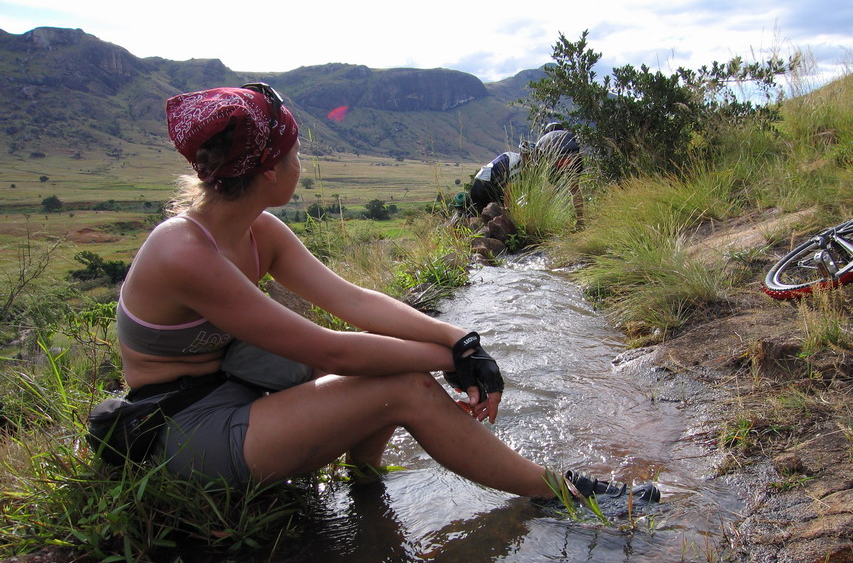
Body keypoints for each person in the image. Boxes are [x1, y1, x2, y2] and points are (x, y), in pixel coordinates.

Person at [115, 83, 659, 507]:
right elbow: (332, 350)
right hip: (179, 433)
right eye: (294, 153)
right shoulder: (183, 251)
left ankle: (365, 485)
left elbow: (354, 301)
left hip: (234, 392)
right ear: (265, 169)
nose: (299, 164)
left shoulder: (260, 232)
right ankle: (558, 492)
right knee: (404, 388)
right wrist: (450, 361)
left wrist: (463, 340)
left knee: (387, 370)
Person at [534, 121, 585, 228]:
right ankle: (581, 220)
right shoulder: (569, 134)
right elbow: (578, 147)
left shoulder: (542, 140)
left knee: (549, 191)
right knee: (575, 189)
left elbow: (537, 160)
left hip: (556, 160)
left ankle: (543, 220)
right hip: (574, 158)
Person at [467, 149, 525, 216]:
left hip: (478, 179)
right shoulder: (518, 164)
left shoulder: (509, 154)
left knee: (476, 214)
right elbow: (508, 193)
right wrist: (507, 212)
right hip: (488, 184)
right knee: (497, 213)